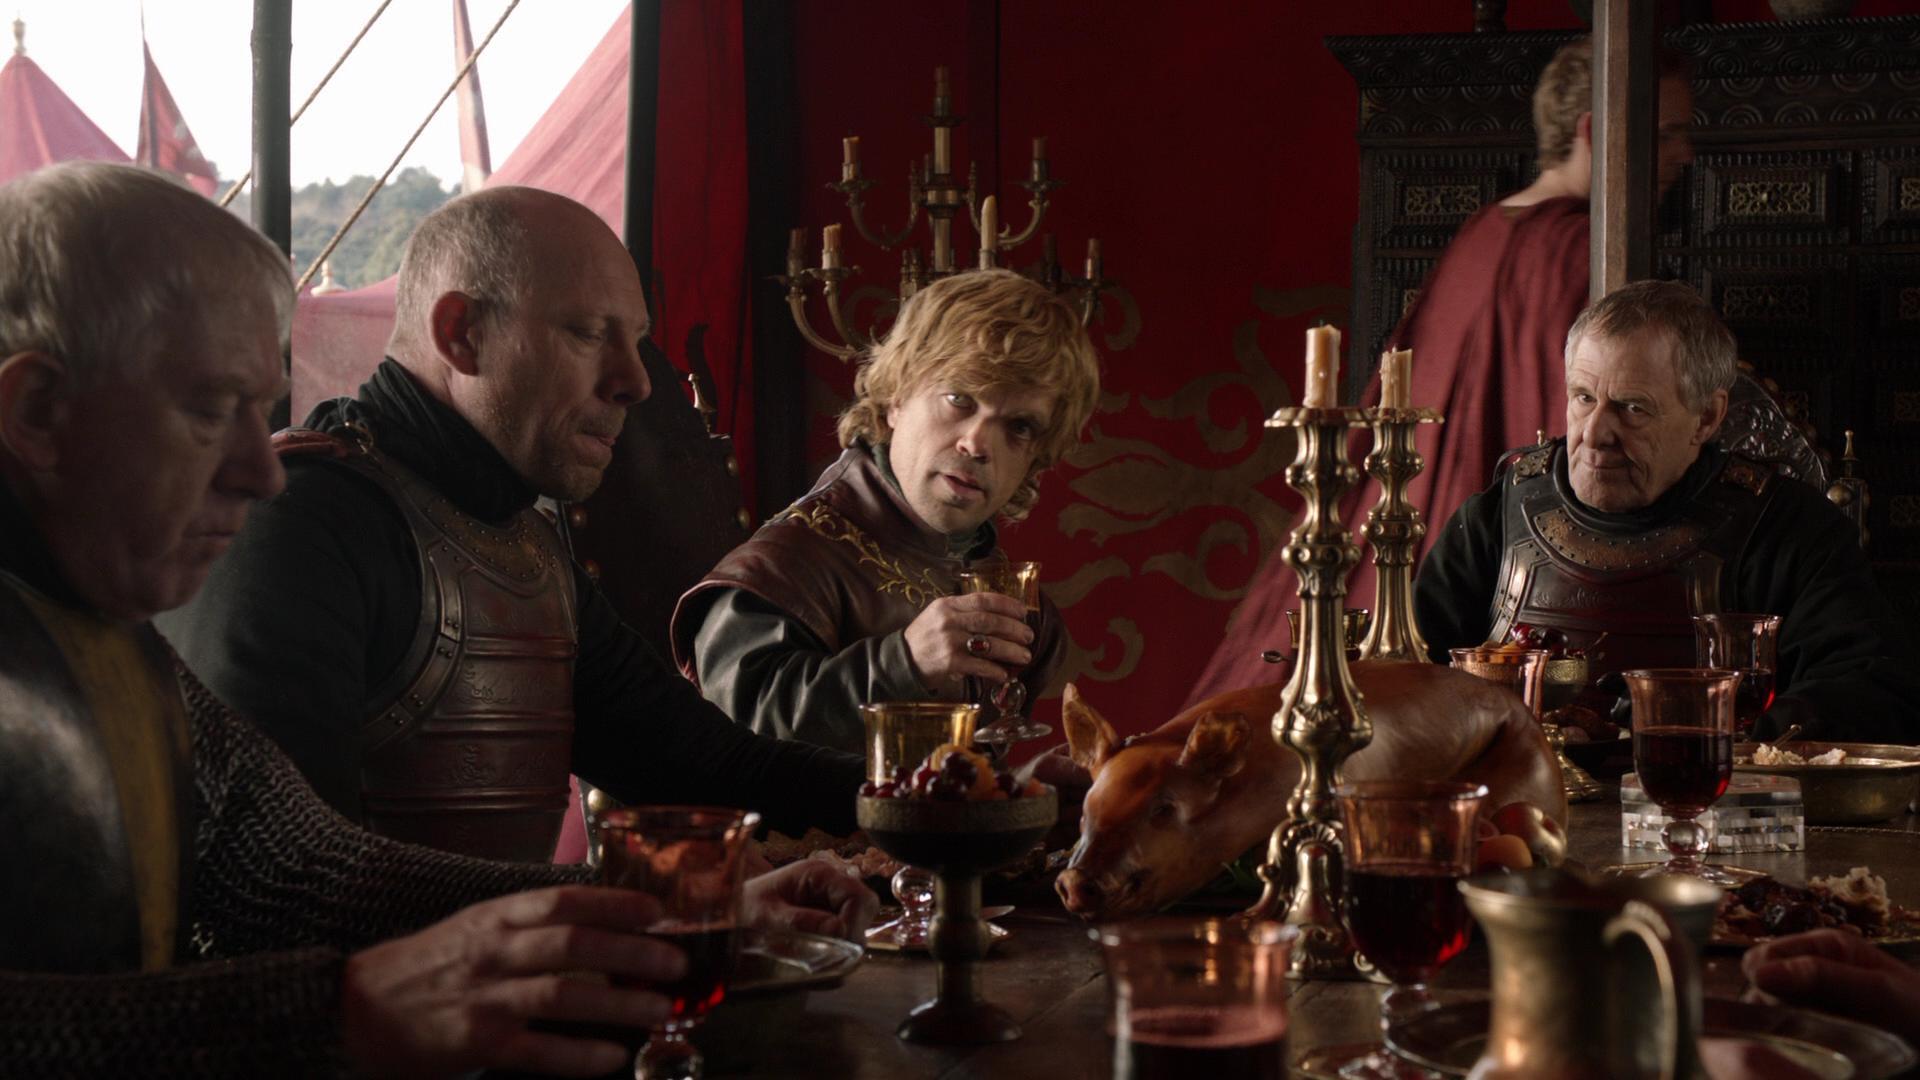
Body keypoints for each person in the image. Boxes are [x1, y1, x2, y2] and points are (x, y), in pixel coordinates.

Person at [0, 162, 873, 1078]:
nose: (261, 472)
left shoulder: (105, 636)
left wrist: (668, 905)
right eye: (213, 409)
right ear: (37, 412)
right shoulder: (302, 526)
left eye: (260, 411)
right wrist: (338, 1011)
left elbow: (311, 877)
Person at [158, 186, 869, 862]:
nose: (636, 381)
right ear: (461, 335)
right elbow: (290, 876)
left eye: (635, 340)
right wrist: (608, 903)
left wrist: (912, 793)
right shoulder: (302, 527)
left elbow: (702, 765)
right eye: (588, 333)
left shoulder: (517, 538)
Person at [1184, 38, 1693, 706]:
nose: (1682, 154)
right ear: (1598, 131)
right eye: (1666, 134)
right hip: (1471, 565)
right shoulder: (1577, 251)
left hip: (1406, 544)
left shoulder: (1485, 230)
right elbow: (1576, 444)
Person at [1413, 280, 1918, 743]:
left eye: (1633, 408)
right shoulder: (1498, 517)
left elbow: (1870, 687)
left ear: (1706, 418)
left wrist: (1723, 731)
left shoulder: (1786, 529)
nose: (1595, 433)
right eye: (1583, 398)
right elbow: (1412, 672)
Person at [670, 269, 1100, 753]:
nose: (977, 444)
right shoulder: (784, 564)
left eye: (1018, 426)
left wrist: (1025, 787)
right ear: (896, 397)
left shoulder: (1018, 605)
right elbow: (726, 746)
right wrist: (904, 662)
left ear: (1036, 456)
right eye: (959, 399)